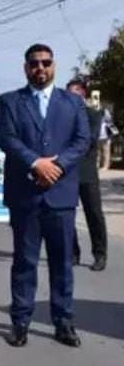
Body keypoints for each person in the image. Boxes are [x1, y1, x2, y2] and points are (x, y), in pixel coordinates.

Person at [0, 44, 89, 348]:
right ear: (26, 68)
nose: (40, 68)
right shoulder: (10, 101)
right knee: (25, 262)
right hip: (25, 195)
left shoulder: (72, 103)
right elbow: (7, 138)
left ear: (54, 66)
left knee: (62, 263)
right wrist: (36, 163)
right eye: (34, 63)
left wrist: (56, 166)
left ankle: (63, 322)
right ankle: (20, 322)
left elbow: (82, 140)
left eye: (46, 63)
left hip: (60, 195)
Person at [66, 79, 108, 272]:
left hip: (87, 173)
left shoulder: (93, 114)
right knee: (67, 215)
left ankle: (100, 254)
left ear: (83, 94)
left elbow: (90, 140)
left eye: (73, 92)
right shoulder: (62, 117)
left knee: (94, 214)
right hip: (67, 172)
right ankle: (73, 253)